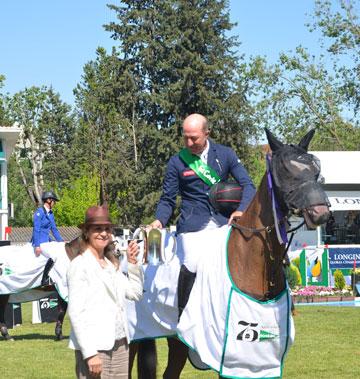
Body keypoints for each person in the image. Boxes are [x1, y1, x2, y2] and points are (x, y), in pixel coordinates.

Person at [149, 113, 256, 377]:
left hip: (223, 224)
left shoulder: (226, 155)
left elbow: (248, 185)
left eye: (193, 137)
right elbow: (167, 199)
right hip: (192, 227)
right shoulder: (177, 162)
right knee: (194, 262)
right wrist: (158, 222)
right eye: (185, 136)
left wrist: (242, 210)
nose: (189, 142)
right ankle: (186, 319)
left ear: (206, 133)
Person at [67, 205, 144, 379]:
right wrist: (89, 353)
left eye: (107, 229)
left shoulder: (111, 265)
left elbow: (135, 293)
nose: (103, 233)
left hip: (121, 346)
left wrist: (132, 264)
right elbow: (75, 313)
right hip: (95, 349)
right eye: (97, 229)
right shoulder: (79, 265)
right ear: (86, 232)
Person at [31, 190, 63, 257]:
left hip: (46, 241)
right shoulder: (39, 212)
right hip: (39, 243)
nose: (55, 203)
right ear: (49, 200)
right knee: (53, 255)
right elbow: (36, 230)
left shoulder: (51, 213)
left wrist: (62, 242)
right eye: (54, 201)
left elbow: (54, 230)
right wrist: (37, 246)